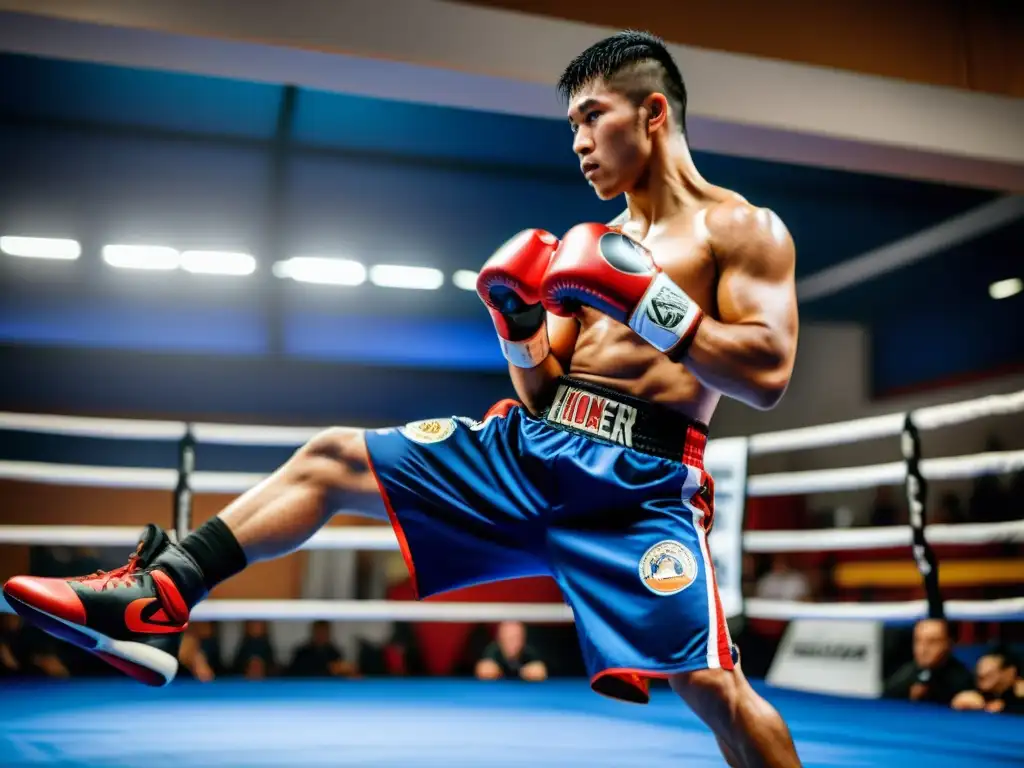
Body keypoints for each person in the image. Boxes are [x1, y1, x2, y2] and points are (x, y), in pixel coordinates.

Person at [4, 30, 801, 767]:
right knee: (329, 458)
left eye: (593, 118)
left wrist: (646, 300)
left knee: (712, 689)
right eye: (570, 127)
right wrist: (518, 325)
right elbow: (543, 383)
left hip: (638, 487)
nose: (580, 143)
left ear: (653, 113)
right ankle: (161, 595)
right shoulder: (584, 244)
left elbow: (765, 374)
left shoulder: (741, 230)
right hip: (537, 448)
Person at [882, 619, 974, 706]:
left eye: (932, 642)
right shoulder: (905, 674)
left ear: (949, 643)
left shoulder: (962, 681)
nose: (923, 649)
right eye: (918, 641)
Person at [951, 646, 1024, 715]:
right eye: (978, 674)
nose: (982, 672)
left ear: (1010, 672)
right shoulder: (972, 686)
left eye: (990, 674)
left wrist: (1006, 707)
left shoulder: (1019, 693)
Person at [475, 621, 547, 682]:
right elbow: (483, 670)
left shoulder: (529, 651)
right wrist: (494, 671)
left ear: (523, 639)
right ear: (500, 639)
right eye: (509, 638)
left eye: (516, 638)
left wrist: (530, 672)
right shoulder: (492, 650)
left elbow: (540, 671)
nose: (513, 643)